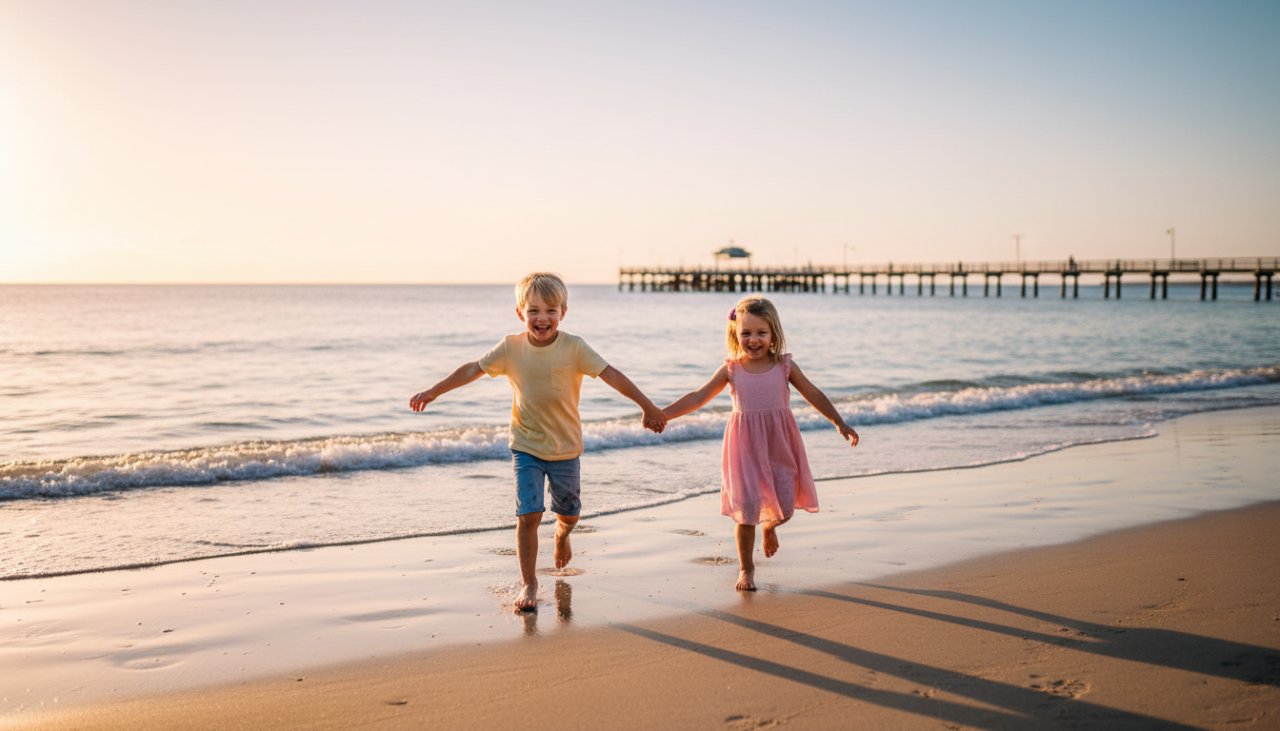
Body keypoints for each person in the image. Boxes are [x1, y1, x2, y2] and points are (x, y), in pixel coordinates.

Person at [410, 273, 666, 611]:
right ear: (520, 313)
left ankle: (562, 535)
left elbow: (612, 374)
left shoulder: (575, 347)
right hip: (525, 446)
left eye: (550, 311)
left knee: (569, 512)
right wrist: (433, 391)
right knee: (528, 514)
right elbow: (473, 369)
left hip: (565, 449)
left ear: (563, 312)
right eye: (533, 311)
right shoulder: (511, 348)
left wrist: (647, 406)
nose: (542, 318)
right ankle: (528, 584)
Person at [660, 296, 858, 591]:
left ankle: (771, 527)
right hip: (744, 449)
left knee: (787, 505)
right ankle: (746, 569)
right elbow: (697, 397)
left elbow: (813, 394)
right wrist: (662, 414)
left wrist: (838, 422)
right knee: (746, 511)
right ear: (735, 335)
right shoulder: (731, 370)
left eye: (761, 333)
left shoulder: (785, 366)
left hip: (779, 442)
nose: (753, 340)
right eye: (746, 333)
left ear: (773, 334)